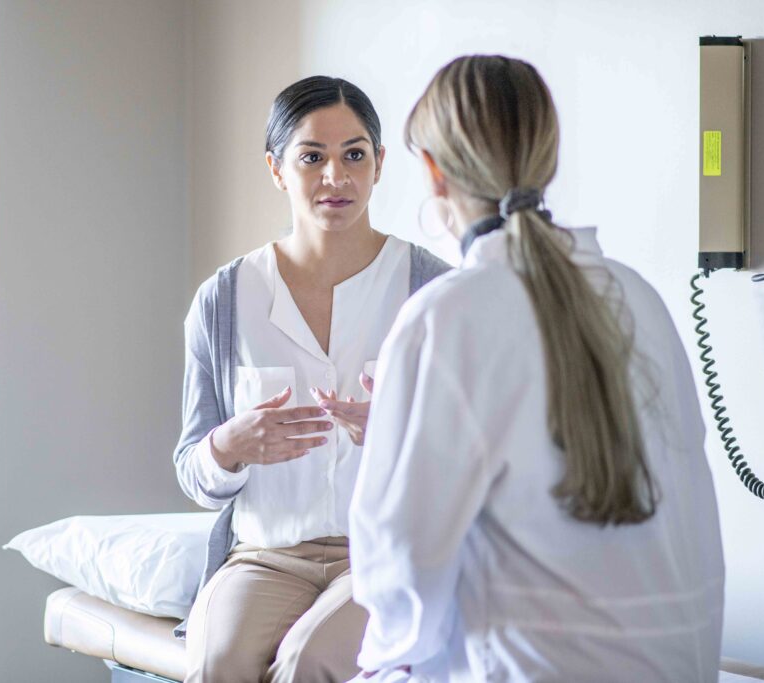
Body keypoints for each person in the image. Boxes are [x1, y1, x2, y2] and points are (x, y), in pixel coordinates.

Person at [348, 55, 725, 683]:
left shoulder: (446, 315)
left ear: (433, 173)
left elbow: (400, 569)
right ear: (545, 159)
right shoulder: (639, 297)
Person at [173, 75, 450, 683]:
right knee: (218, 663)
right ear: (276, 169)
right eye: (311, 158)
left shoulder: (433, 293)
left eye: (355, 154)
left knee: (308, 662)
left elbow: (476, 463)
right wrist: (228, 447)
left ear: (379, 164)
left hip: (384, 555)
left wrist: (401, 436)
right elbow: (193, 468)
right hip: (264, 559)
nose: (336, 177)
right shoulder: (223, 302)